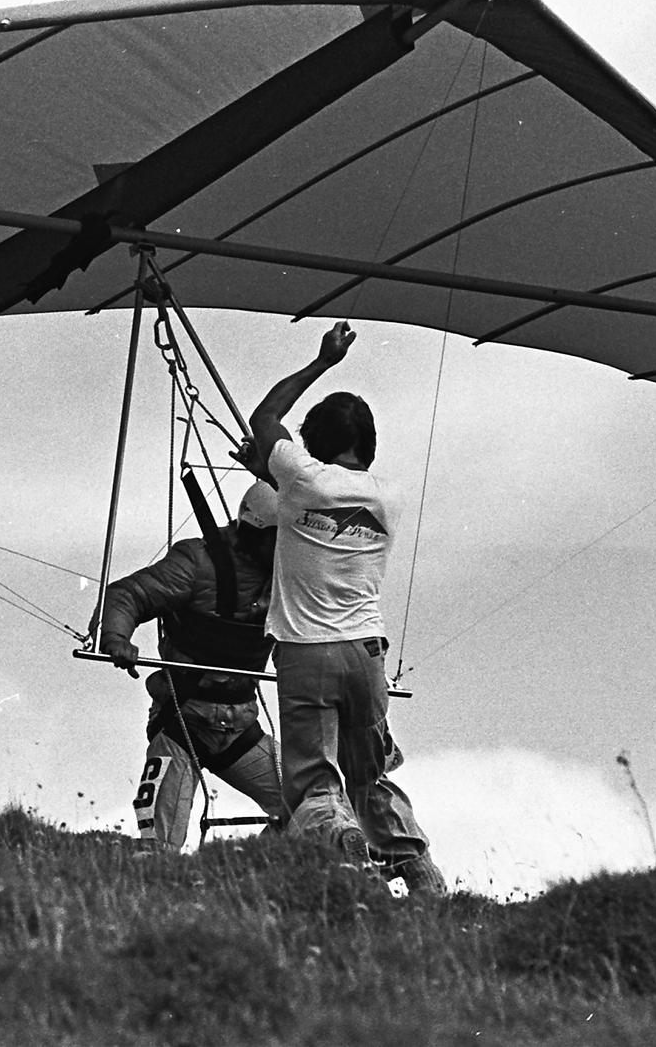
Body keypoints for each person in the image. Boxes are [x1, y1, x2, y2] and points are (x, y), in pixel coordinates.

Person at [245, 320, 447, 897]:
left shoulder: (301, 477)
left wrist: (322, 362)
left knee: (315, 780)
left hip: (307, 652)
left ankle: (339, 837)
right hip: (366, 653)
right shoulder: (390, 495)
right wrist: (270, 469)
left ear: (312, 441)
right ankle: (420, 874)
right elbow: (317, 497)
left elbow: (265, 418)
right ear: (369, 444)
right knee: (370, 774)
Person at [93, 480, 288, 850]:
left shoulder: (288, 577)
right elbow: (128, 594)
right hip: (183, 721)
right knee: (159, 846)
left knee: (312, 802)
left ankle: (246, 865)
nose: (284, 550)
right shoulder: (198, 562)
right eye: (276, 540)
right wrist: (117, 637)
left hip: (239, 726)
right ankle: (158, 873)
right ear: (254, 532)